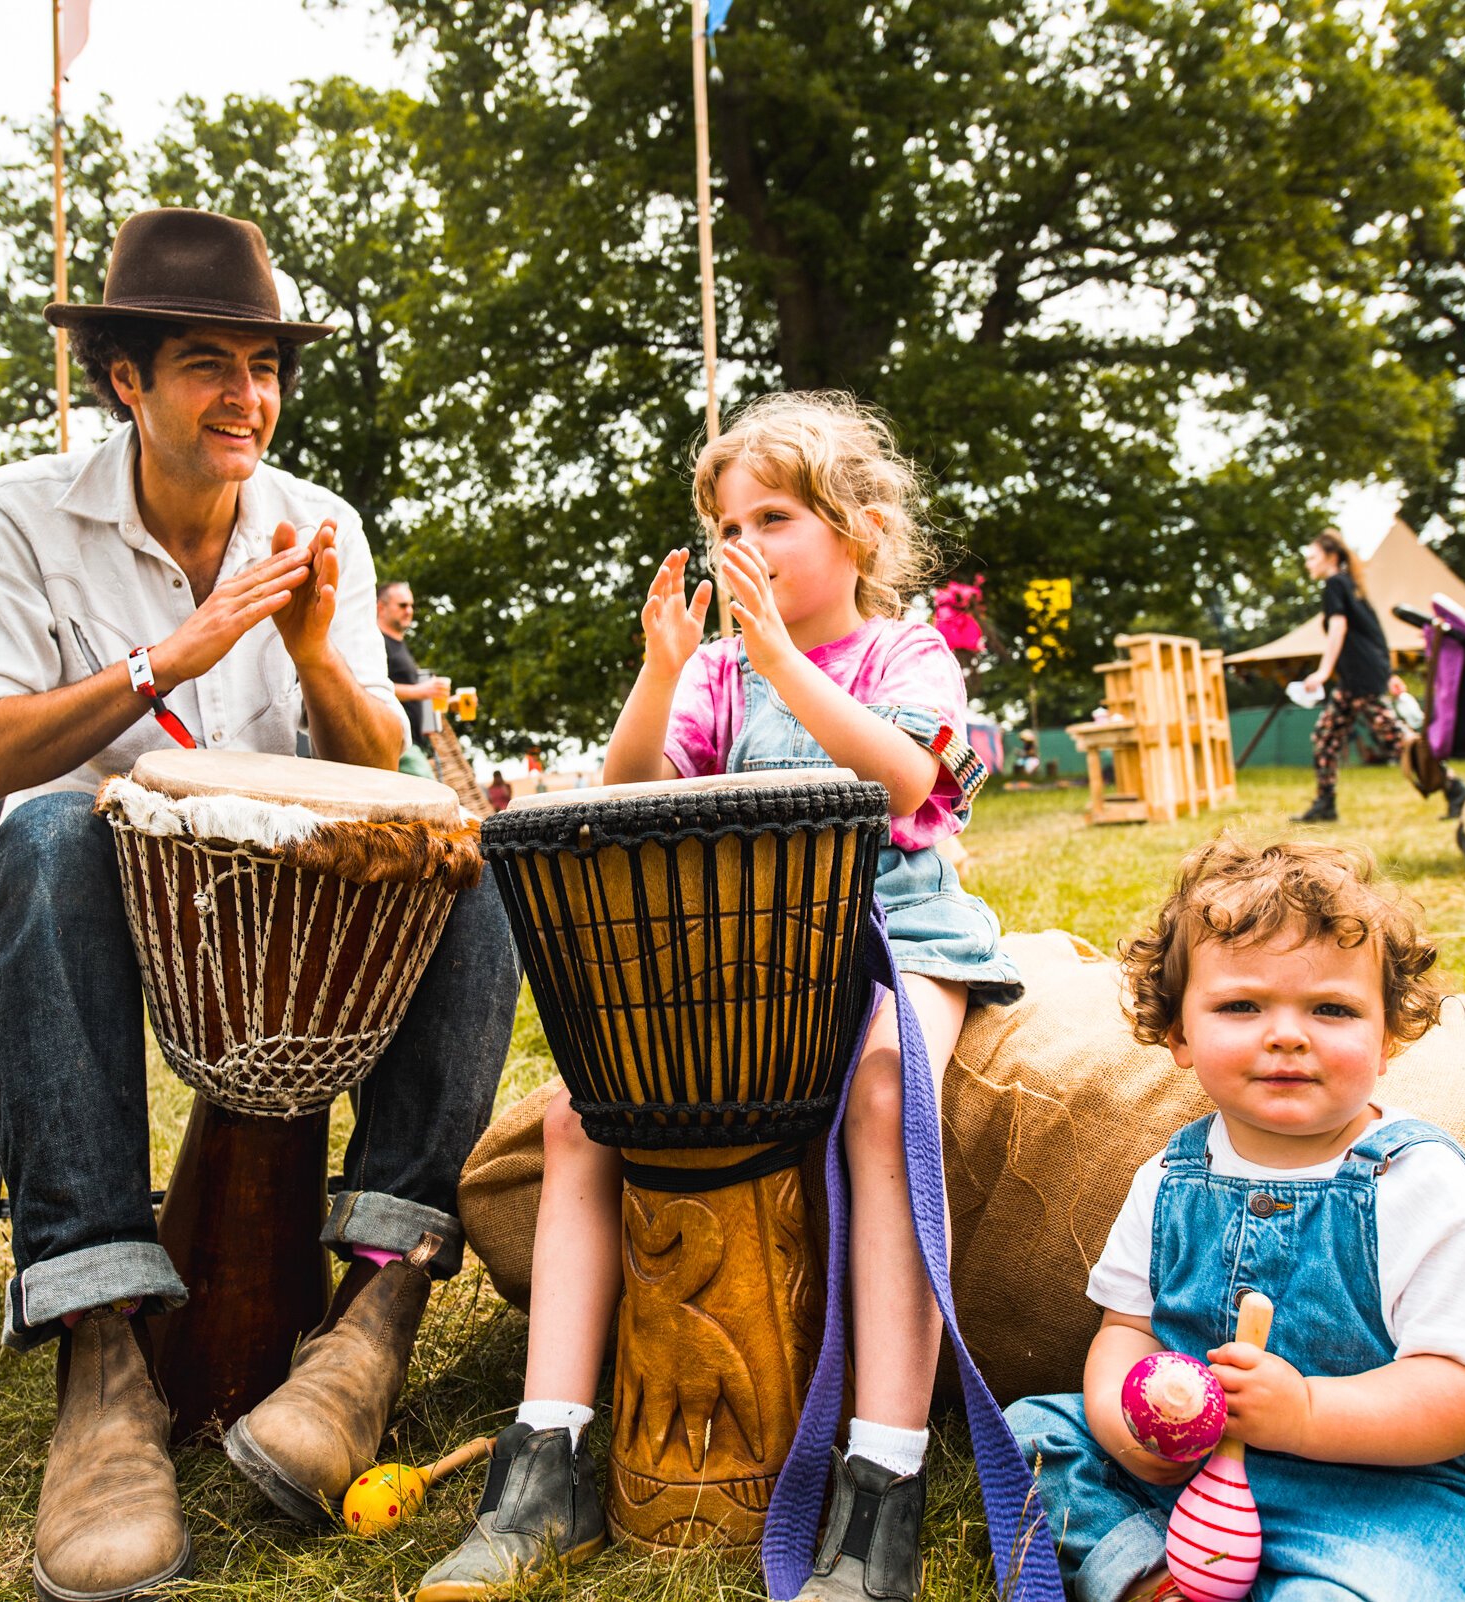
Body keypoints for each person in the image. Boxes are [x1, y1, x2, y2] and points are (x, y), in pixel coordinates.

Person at [0, 207, 520, 1602]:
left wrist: (317, 653)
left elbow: (373, 764)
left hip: (283, 925)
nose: (246, 396)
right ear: (125, 380)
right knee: (56, 823)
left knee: (462, 857)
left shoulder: (324, 524)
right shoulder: (17, 516)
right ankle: (100, 1359)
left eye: (263, 366)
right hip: (105, 909)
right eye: (207, 362)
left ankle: (377, 1311)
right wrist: (163, 661)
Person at [419, 393, 1020, 1602]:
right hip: (749, 971)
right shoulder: (720, 677)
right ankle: (550, 1456)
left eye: (776, 516)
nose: (745, 542)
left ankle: (881, 1480)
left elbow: (908, 779)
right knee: (586, 1114)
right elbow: (633, 792)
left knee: (883, 1085)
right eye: (727, 523)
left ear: (860, 527)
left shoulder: (908, 654)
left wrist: (789, 664)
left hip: (899, 940)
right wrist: (660, 676)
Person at [1005, 837, 1465, 1601]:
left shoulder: (1421, 1185)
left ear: (1387, 1038)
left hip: (1386, 1500)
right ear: (1179, 1037)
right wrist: (1127, 1428)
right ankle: (1149, 1576)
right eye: (1241, 1006)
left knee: (1382, 1583)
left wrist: (1304, 1413)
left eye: (1331, 1008)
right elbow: (1125, 1329)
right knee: (1032, 1433)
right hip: (1190, 1475)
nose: (1288, 1033)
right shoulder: (1169, 1178)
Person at [1290, 530, 1425, 824]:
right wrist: (1388, 674)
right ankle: (1325, 804)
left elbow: (1338, 629)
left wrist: (1324, 671)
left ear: (1331, 557)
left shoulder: (1335, 585)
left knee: (1396, 739)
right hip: (1356, 678)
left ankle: (1454, 788)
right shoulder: (1351, 586)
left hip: (1361, 678)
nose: (1308, 564)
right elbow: (1374, 635)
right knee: (1326, 736)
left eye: (1312, 557)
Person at [377, 580, 451, 780]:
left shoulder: (400, 645)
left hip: (413, 742)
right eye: (402, 605)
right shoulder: (377, 642)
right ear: (380, 607)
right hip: (395, 742)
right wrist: (422, 691)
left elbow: (411, 695)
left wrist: (451, 703)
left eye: (411, 605)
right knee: (434, 801)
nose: (409, 610)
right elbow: (367, 687)